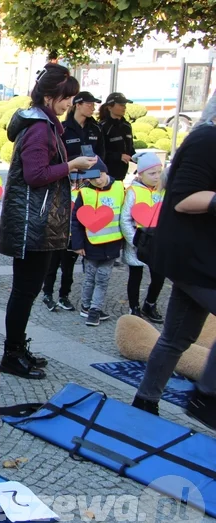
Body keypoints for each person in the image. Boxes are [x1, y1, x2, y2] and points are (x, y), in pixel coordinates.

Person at [0, 63, 96, 379]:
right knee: (25, 291)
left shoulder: (47, 124)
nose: (70, 104)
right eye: (68, 98)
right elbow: (35, 175)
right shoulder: (40, 127)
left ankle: (17, 347)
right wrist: (71, 166)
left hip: (39, 221)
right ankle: (11, 353)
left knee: (28, 290)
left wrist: (74, 168)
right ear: (52, 96)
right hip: (32, 223)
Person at [133, 95, 216, 422]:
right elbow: (183, 200)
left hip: (199, 254)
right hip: (191, 257)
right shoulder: (206, 139)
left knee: (178, 336)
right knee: (177, 336)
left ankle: (145, 400)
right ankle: (206, 398)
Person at [42, 91, 105, 312]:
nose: (93, 108)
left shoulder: (95, 129)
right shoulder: (62, 128)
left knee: (72, 250)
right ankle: (47, 292)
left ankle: (64, 294)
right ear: (77, 105)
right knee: (56, 249)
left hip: (87, 191)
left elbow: (101, 159)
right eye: (89, 104)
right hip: (65, 188)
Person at [70, 160, 124, 326]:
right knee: (90, 277)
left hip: (111, 243)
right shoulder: (84, 193)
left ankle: (94, 310)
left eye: (99, 176)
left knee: (102, 278)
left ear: (105, 171)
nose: (97, 181)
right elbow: (76, 220)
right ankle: (86, 306)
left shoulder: (120, 188)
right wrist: (77, 245)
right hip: (90, 245)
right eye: (92, 179)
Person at [121, 152, 166, 322]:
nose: (156, 177)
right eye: (152, 173)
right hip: (138, 241)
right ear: (141, 174)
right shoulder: (133, 192)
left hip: (158, 242)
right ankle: (134, 307)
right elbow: (125, 219)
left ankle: (150, 303)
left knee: (159, 275)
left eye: (159, 172)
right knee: (135, 275)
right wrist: (134, 241)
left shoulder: (164, 191)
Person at [99, 92, 135, 183]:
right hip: (106, 176)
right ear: (110, 107)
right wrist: (119, 156)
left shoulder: (127, 126)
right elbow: (99, 153)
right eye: (121, 105)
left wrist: (138, 158)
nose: (124, 107)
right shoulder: (102, 126)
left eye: (125, 105)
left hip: (122, 176)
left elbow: (130, 149)